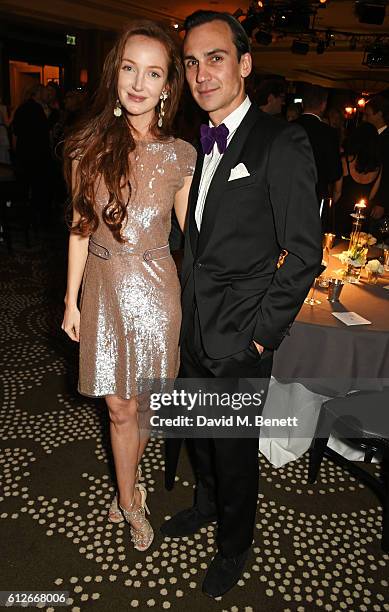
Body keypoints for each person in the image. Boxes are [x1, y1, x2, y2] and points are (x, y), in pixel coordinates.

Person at [160, 10, 322, 598]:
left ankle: (235, 544)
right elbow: (193, 239)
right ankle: (205, 506)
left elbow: (305, 252)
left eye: (216, 58)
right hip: (192, 325)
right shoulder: (194, 144)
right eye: (192, 62)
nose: (202, 73)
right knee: (200, 438)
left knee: (233, 452)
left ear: (245, 65)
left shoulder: (282, 141)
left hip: (241, 337)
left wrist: (261, 336)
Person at [61, 21, 196, 552]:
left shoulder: (182, 156)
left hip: (157, 289)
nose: (139, 83)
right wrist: (70, 299)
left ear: (167, 87)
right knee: (118, 407)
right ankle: (130, 500)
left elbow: (198, 239)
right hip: (102, 283)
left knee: (142, 403)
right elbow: (78, 228)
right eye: (129, 68)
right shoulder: (85, 146)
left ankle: (126, 481)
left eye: (154, 72)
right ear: (115, 72)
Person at [295, 84, 342, 205]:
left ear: (302, 104)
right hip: (315, 196)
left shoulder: (287, 127)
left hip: (289, 193)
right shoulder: (329, 133)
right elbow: (334, 173)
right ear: (323, 105)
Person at [11, 84, 51, 226]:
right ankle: (38, 219)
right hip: (37, 154)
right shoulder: (37, 109)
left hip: (24, 152)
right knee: (38, 187)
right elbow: (44, 132)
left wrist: (16, 152)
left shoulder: (21, 108)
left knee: (25, 185)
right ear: (37, 93)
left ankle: (24, 219)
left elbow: (15, 132)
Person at [334, 122, 382, 237]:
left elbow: (337, 192)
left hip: (341, 216)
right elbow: (371, 196)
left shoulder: (345, 161)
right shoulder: (378, 167)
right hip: (362, 218)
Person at [364, 94, 389, 223]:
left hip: (379, 201)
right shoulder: (369, 136)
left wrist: (382, 202)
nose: (364, 118)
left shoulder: (386, 139)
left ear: (379, 114)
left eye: (368, 115)